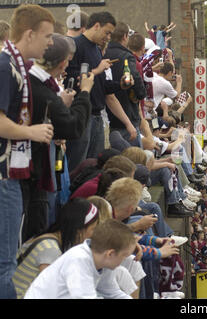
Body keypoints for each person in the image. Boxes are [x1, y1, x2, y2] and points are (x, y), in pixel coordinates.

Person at [0, 4, 56, 299]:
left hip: (10, 173)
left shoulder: (13, 65)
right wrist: (30, 132)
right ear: (30, 33)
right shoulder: (5, 66)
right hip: (4, 176)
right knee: (4, 262)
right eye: (47, 35)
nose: (50, 42)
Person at [22, 34, 95, 242]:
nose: (65, 70)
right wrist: (85, 93)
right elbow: (73, 127)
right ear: (63, 62)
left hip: (33, 168)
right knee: (33, 231)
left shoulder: (30, 82)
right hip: (34, 171)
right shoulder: (43, 91)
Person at [64, 11, 133, 172]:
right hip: (81, 114)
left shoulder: (95, 49)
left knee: (96, 166)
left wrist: (120, 85)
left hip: (97, 116)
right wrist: (97, 69)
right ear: (96, 26)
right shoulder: (75, 45)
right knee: (77, 165)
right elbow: (71, 81)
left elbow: (101, 87)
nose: (109, 37)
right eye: (107, 32)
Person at [24, 219, 137, 299]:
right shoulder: (78, 260)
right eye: (124, 256)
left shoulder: (103, 263)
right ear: (110, 253)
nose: (125, 260)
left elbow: (111, 292)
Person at [13, 198, 99, 298]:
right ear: (78, 230)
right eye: (93, 229)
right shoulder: (50, 249)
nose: (94, 234)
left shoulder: (51, 238)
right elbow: (49, 291)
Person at [104, 22, 147, 148]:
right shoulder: (126, 56)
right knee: (134, 159)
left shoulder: (103, 53)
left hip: (108, 116)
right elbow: (134, 76)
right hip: (127, 114)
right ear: (124, 36)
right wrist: (141, 93)